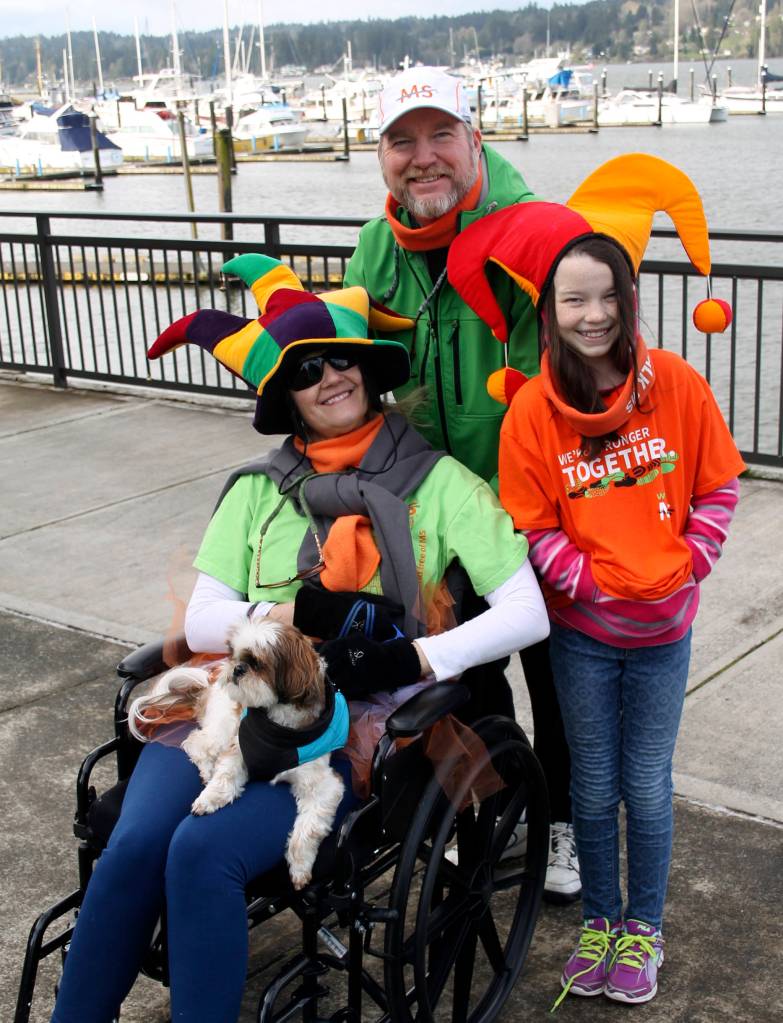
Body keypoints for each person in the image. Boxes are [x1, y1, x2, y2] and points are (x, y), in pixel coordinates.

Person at [50, 254, 549, 1023]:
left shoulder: (441, 482)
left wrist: (414, 655)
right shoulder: (257, 487)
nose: (329, 377)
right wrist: (274, 626)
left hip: (349, 717)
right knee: (139, 837)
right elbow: (202, 618)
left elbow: (526, 610)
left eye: (341, 359)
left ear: (368, 368)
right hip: (234, 694)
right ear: (287, 392)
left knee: (201, 850)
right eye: (306, 369)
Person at [447, 153, 746, 1007]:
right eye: (571, 299)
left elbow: (719, 483)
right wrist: (584, 583)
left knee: (646, 785)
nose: (590, 314)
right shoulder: (533, 411)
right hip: (583, 634)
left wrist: (689, 561)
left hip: (663, 636)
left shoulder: (677, 387)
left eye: (605, 297)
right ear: (550, 310)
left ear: (628, 303)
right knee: (590, 784)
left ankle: (641, 927)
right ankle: (599, 923)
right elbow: (531, 522)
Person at [344, 64, 579, 902]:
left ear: (475, 141)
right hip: (431, 506)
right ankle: (482, 800)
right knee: (459, 674)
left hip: (533, 503)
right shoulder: (378, 245)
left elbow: (573, 369)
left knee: (558, 678)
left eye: (441, 134)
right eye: (401, 141)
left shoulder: (533, 234)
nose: (423, 158)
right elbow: (354, 366)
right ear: (379, 157)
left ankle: (565, 822)